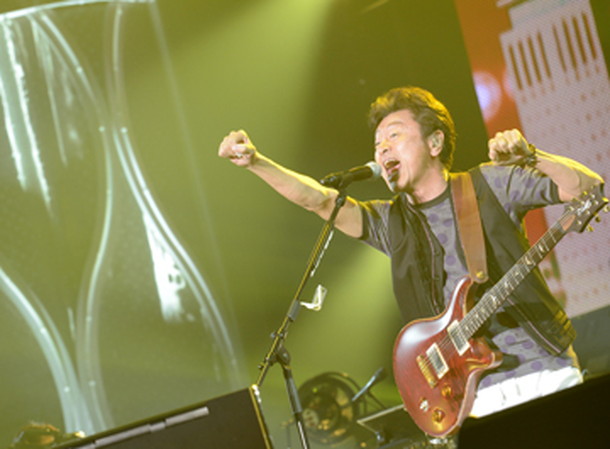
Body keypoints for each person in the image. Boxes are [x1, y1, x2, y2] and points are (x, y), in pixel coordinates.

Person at [218, 86, 604, 442]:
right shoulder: (392, 223)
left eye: (394, 135)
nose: (383, 149)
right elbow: (318, 200)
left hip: (542, 374)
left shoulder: (489, 185)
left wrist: (533, 156)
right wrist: (256, 162)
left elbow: (588, 189)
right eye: (377, 144)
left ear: (435, 142)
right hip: (472, 402)